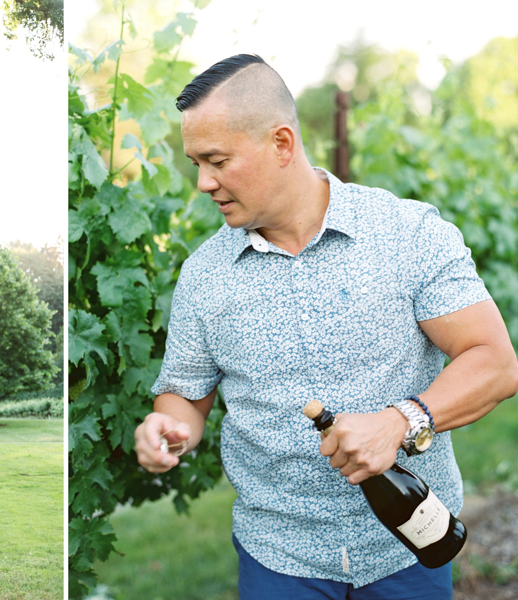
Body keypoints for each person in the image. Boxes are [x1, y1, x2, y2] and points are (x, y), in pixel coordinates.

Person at [134, 53, 518, 600]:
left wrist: (399, 423)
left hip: (408, 546)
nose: (202, 182)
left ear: (282, 144)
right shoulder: (203, 277)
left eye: (216, 160)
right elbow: (184, 395)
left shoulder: (406, 234)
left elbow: (495, 363)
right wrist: (167, 426)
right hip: (279, 558)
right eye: (196, 163)